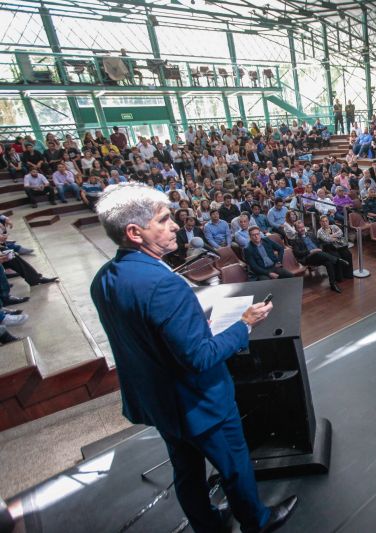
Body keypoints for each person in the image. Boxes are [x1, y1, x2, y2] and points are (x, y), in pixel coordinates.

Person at [90, 184, 297, 533]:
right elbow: (200, 357)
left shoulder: (104, 280)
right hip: (198, 402)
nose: (175, 226)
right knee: (233, 464)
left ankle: (208, 526)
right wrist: (244, 325)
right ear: (134, 232)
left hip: (158, 401)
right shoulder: (161, 285)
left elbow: (143, 339)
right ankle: (256, 521)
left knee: (186, 470)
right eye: (164, 220)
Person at [291, 221, 346, 293]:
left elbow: (319, 243)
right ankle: (338, 260)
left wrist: (319, 249)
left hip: (318, 255)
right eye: (299, 228)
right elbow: (297, 254)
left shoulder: (311, 234)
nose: (301, 229)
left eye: (302, 227)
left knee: (328, 262)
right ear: (296, 229)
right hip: (307, 257)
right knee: (316, 253)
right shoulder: (294, 239)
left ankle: (333, 284)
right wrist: (311, 251)